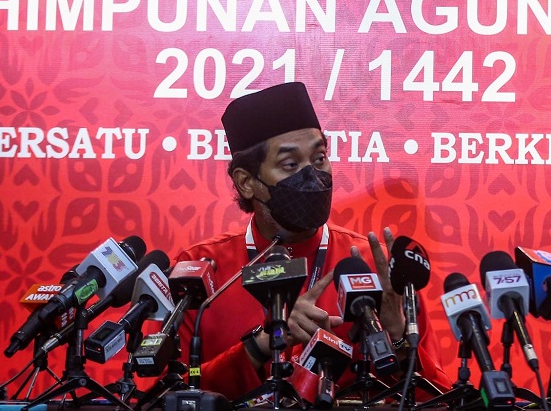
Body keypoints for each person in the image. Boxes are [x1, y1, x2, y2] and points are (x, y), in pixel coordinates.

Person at [173, 81, 450, 401]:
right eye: (291, 164)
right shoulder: (200, 272)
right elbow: (159, 395)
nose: (313, 176)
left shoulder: (377, 268)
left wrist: (400, 339)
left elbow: (439, 397)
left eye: (319, 158)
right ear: (247, 182)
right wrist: (263, 343)